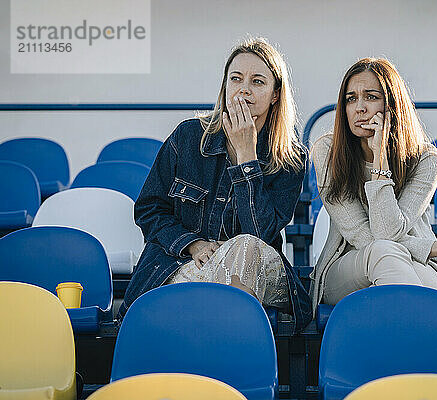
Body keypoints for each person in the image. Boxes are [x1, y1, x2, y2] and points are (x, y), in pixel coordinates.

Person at [118, 38, 312, 332]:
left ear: (274, 95)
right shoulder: (188, 137)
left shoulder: (290, 158)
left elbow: (260, 234)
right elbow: (149, 209)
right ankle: (221, 363)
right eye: (236, 79)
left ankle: (213, 364)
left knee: (244, 249)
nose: (244, 89)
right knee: (207, 278)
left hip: (258, 266)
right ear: (226, 87)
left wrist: (247, 157)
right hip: (186, 263)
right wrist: (192, 244)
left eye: (257, 81)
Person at [310, 58, 437, 312]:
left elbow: (387, 233)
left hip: (416, 263)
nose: (359, 107)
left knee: (392, 286)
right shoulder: (327, 152)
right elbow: (370, 237)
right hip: (347, 267)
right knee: (384, 255)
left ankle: (397, 343)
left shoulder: (427, 160)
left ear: (392, 105)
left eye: (370, 97)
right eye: (351, 98)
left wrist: (380, 157)